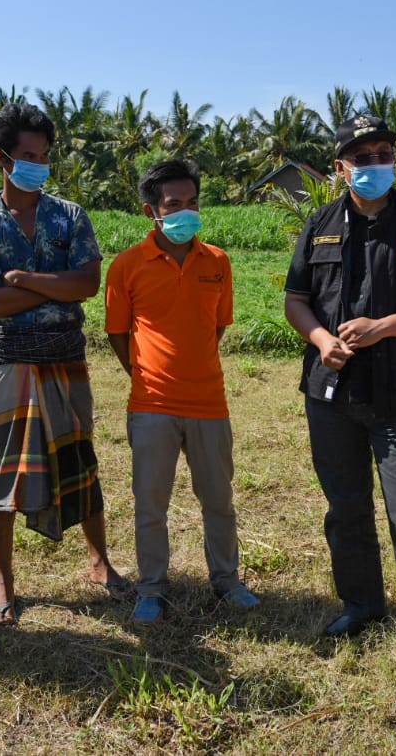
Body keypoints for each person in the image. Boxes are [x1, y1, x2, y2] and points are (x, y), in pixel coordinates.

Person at [283, 114, 396, 673]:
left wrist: (383, 326)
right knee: (346, 508)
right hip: (332, 393)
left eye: (383, 153)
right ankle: (361, 605)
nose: (374, 165)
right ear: (341, 168)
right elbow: (297, 299)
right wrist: (319, 338)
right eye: (361, 158)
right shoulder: (319, 224)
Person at [0, 102, 128, 625]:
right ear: (1, 159)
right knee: (3, 468)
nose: (38, 164)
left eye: (44, 155)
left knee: (79, 458)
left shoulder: (69, 216)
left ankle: (99, 562)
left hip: (65, 358)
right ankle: (4, 582)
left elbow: (88, 284)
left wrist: (25, 280)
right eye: (27, 155)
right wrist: (55, 289)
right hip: (9, 363)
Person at [105, 159, 259, 625]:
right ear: (151, 210)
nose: (185, 213)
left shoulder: (218, 261)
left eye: (192, 203)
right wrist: (147, 375)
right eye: (174, 205)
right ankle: (151, 588)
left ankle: (227, 580)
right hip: (151, 405)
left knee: (218, 500)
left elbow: (216, 328)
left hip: (210, 403)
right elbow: (118, 333)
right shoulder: (127, 266)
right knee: (151, 504)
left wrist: (192, 369)